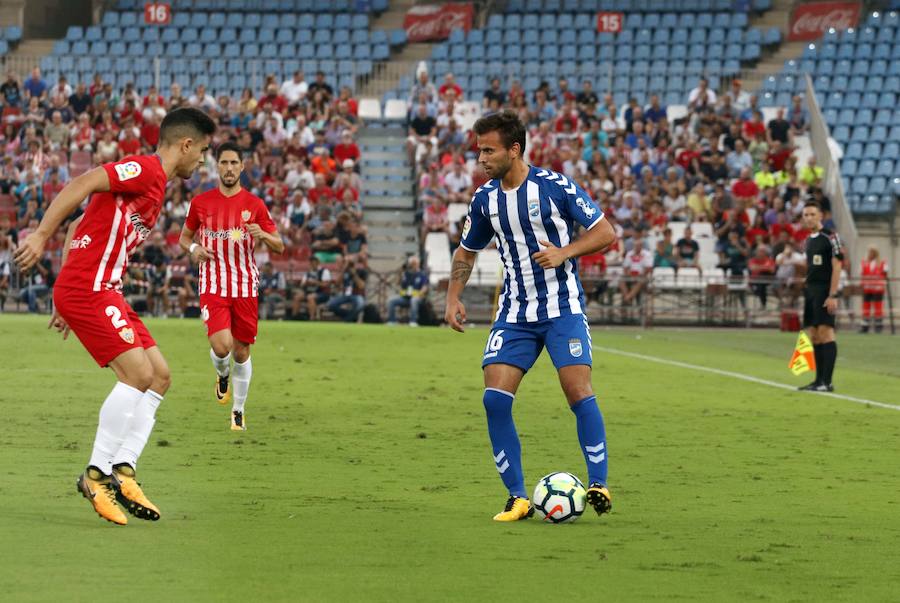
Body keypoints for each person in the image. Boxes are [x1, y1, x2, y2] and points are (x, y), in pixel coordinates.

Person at [13, 107, 216, 526]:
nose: (203, 161)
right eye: (204, 151)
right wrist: (39, 235)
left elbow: (78, 229)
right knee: (137, 375)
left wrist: (61, 294)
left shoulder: (154, 184)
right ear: (186, 144)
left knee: (159, 375)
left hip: (99, 290)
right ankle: (95, 475)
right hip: (90, 288)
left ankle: (123, 470)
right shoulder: (145, 170)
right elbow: (84, 182)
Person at [443, 111, 616, 521]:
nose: (481, 157)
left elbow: (605, 232)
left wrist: (565, 252)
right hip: (515, 312)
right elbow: (466, 251)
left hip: (562, 308)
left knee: (577, 391)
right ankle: (518, 497)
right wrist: (453, 298)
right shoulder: (485, 199)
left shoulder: (554, 187)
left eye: (489, 150)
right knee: (495, 400)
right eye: (479, 149)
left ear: (514, 149)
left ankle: (598, 483)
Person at [179, 141, 284, 431]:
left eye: (233, 163)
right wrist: (193, 251)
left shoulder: (255, 205)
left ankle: (238, 410)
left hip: (246, 286)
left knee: (241, 352)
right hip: (213, 284)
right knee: (222, 346)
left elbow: (280, 246)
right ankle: (222, 374)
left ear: (242, 166)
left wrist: (262, 233)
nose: (228, 168)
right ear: (217, 166)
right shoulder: (201, 203)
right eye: (223, 163)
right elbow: (184, 238)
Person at [798, 202, 843, 392]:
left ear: (820, 216)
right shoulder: (809, 240)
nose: (808, 218)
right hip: (812, 292)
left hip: (825, 291)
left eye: (812, 214)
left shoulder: (831, 237)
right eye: (805, 215)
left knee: (826, 333)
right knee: (814, 336)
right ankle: (818, 381)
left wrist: (832, 294)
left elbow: (838, 266)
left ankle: (827, 381)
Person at [386, 256, 428, 326]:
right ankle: (392, 321)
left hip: (417, 298)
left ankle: (413, 321)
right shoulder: (406, 274)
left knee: (414, 300)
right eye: (411, 263)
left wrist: (419, 294)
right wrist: (400, 272)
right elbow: (397, 283)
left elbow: (425, 287)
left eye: (414, 263)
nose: (413, 265)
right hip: (405, 298)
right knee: (391, 300)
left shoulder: (422, 274)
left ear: (418, 264)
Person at [859, 245, 888, 333]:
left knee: (878, 307)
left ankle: (878, 327)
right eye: (869, 252)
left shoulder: (882, 263)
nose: (870, 254)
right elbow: (861, 274)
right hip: (867, 289)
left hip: (878, 289)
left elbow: (886, 275)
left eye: (872, 252)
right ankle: (865, 327)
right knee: (866, 307)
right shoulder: (864, 262)